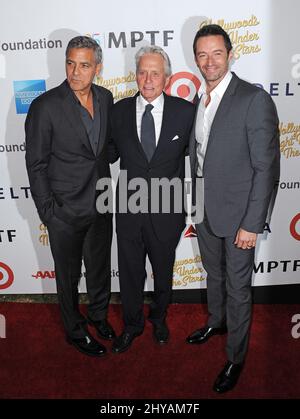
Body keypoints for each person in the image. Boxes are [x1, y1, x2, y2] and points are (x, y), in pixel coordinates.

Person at [186, 24, 280, 393]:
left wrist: (252, 224)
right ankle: (216, 321)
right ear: (195, 58)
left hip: (240, 217)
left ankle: (236, 357)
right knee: (215, 275)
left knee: (239, 287)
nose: (209, 62)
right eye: (202, 55)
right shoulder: (200, 98)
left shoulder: (253, 100)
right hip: (205, 211)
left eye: (217, 54)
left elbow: (266, 168)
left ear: (230, 54)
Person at [25, 36, 116, 357]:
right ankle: (75, 331)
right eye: (70, 63)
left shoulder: (106, 98)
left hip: (102, 204)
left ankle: (99, 316)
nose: (76, 72)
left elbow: (105, 151)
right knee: (67, 276)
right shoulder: (45, 106)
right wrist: (48, 211)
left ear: (98, 68)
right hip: (64, 211)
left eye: (85, 65)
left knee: (100, 268)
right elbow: (36, 164)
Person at [110, 46, 195, 353]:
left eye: (155, 73)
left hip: (167, 211)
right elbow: (107, 153)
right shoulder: (117, 112)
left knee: (163, 271)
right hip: (129, 208)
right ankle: (132, 325)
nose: (148, 79)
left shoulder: (186, 113)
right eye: (142, 72)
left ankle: (159, 319)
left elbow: (198, 158)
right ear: (136, 75)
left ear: (167, 77)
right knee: (130, 272)